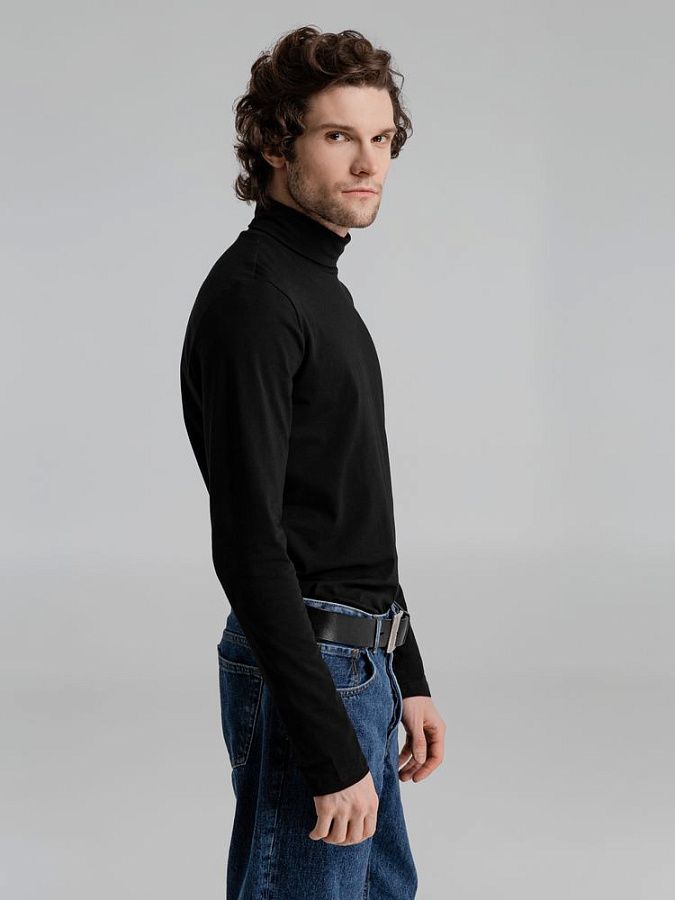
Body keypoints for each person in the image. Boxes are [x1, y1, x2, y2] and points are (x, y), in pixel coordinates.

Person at [179, 25, 446, 899]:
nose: (368, 163)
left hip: (360, 669)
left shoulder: (317, 287)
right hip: (312, 671)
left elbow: (345, 514)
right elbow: (248, 541)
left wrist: (405, 672)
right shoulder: (256, 300)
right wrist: (329, 747)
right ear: (274, 144)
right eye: (338, 136)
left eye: (381, 138)